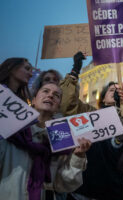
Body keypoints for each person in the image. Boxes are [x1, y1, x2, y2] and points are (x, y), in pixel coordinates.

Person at [0, 65, 91, 200]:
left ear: (59, 106)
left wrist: (78, 157)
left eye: (56, 95)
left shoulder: (61, 134)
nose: (50, 95)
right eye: (45, 91)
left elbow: (63, 184)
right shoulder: (14, 128)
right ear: (34, 100)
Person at [60, 52, 123, 200]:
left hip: (113, 191)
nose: (116, 93)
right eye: (112, 90)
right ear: (104, 97)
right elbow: (67, 105)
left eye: (120, 91)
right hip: (82, 190)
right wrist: (75, 71)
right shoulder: (89, 113)